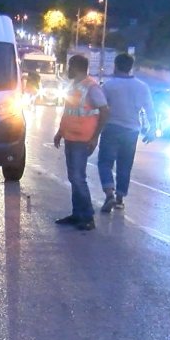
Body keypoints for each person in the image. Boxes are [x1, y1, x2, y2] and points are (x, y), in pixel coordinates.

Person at [53, 54, 109, 231]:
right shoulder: (74, 86)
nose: (67, 69)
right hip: (70, 137)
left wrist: (95, 137)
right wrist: (60, 133)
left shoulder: (92, 88)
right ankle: (77, 214)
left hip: (82, 140)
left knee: (78, 178)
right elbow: (68, 111)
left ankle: (87, 217)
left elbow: (105, 112)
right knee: (73, 177)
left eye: (69, 66)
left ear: (76, 68)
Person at [97, 53, 153, 213]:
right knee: (125, 165)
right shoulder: (142, 86)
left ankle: (109, 193)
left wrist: (95, 131)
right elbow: (150, 109)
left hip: (111, 128)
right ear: (131, 67)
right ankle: (120, 199)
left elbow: (101, 109)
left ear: (115, 65)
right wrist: (152, 129)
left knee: (105, 162)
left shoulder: (108, 86)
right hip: (131, 131)